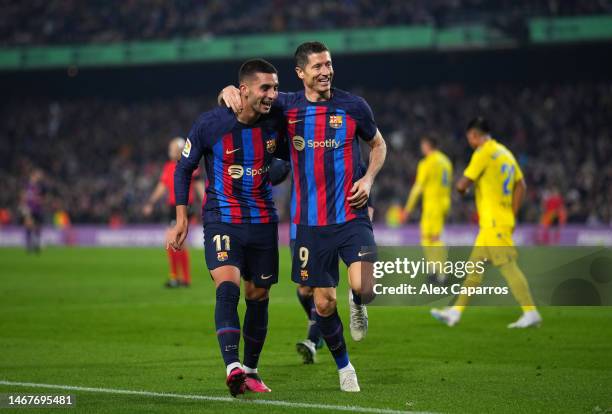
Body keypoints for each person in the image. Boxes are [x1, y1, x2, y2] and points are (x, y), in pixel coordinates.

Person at [219, 41, 387, 392]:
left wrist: (368, 180)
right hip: (310, 224)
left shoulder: (354, 106)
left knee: (365, 287)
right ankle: (344, 368)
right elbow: (249, 97)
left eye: (329, 64)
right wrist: (228, 92)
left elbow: (378, 144)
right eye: (317, 67)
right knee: (323, 302)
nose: (325, 71)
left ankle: (358, 303)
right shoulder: (286, 107)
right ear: (301, 73)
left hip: (351, 214)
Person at [167, 59, 286, 396]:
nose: (273, 94)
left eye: (276, 87)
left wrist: (274, 171)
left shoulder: (278, 120)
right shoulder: (210, 124)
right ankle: (232, 367)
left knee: (258, 296)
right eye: (266, 88)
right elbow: (184, 169)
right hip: (222, 217)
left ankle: (251, 369)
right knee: (228, 288)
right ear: (243, 90)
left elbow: (285, 166)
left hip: (263, 221)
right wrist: (180, 218)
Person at [431, 117, 542, 328]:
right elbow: (522, 186)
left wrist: (463, 188)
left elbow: (463, 184)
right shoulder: (505, 153)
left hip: (493, 223)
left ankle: (531, 312)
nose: (470, 142)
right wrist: (512, 213)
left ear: (474, 135)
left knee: (508, 266)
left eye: (469, 138)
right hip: (498, 221)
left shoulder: (483, 153)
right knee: (474, 268)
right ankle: (455, 312)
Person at [144, 137, 204, 287]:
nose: (169, 151)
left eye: (172, 148)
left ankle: (176, 278)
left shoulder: (190, 165)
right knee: (177, 244)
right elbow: (162, 186)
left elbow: (199, 187)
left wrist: (207, 203)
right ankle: (183, 278)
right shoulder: (169, 166)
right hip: (173, 207)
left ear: (179, 150)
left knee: (171, 241)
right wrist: (151, 202)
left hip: (184, 207)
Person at [401, 136, 452, 284]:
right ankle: (433, 271)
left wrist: (407, 209)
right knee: (427, 238)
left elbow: (418, 187)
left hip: (432, 203)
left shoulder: (427, 162)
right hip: (444, 202)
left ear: (428, 146)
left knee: (433, 239)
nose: (422, 148)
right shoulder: (446, 161)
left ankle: (441, 274)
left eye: (423, 145)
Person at [20, 169, 45, 254]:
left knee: (38, 227)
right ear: (33, 176)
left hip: (37, 209)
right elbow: (23, 196)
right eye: (37, 175)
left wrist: (40, 201)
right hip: (29, 209)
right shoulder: (27, 186)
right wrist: (24, 206)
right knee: (29, 225)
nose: (38, 177)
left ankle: (37, 244)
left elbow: (41, 198)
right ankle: (29, 246)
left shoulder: (39, 187)